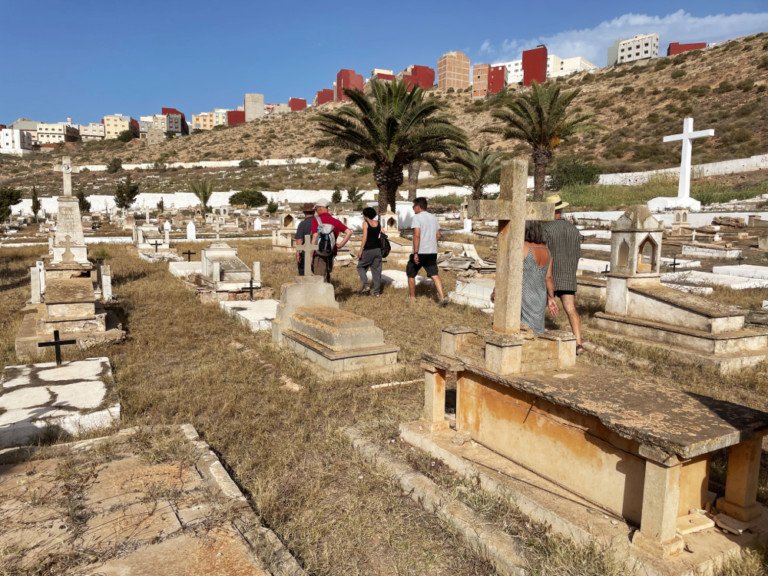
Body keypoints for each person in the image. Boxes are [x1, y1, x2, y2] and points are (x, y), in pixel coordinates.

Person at [490, 221, 557, 334]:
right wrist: (551, 298)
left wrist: (497, 289)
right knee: (537, 329)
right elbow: (548, 278)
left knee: (521, 329)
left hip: (523, 295)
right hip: (540, 296)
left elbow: (509, 272)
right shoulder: (547, 250)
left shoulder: (522, 248)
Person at [542, 193, 584, 355]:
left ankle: (534, 336)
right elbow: (578, 254)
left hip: (549, 275)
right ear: (561, 210)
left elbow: (543, 253)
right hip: (568, 275)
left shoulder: (545, 229)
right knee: (571, 309)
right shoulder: (574, 230)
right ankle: (579, 342)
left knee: (539, 307)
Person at [407, 197, 447, 305]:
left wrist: (416, 253)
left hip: (420, 252)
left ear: (418, 207)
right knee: (434, 274)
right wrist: (430, 242)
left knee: (410, 274)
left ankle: (412, 298)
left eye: (413, 206)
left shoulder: (417, 217)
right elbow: (438, 235)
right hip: (432, 251)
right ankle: (443, 297)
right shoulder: (433, 218)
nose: (413, 208)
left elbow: (416, 235)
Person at [310, 198, 352, 282]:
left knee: (319, 277)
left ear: (320, 208)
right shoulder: (335, 221)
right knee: (327, 274)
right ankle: (327, 292)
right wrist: (340, 245)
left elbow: (315, 237)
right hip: (330, 252)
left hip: (319, 253)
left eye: (316, 209)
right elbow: (349, 232)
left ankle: (322, 294)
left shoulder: (316, 220)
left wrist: (310, 254)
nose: (316, 211)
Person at [356, 207, 383, 296]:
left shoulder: (365, 223)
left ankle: (366, 286)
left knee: (360, 267)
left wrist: (360, 250)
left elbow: (364, 238)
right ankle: (377, 293)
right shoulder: (378, 223)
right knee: (376, 271)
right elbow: (383, 233)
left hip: (368, 250)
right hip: (378, 250)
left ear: (365, 215)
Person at [294, 202, 316, 276]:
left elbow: (299, 240)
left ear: (304, 212)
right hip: (319, 253)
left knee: (304, 275)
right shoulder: (319, 222)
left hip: (306, 253)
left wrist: (298, 254)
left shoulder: (302, 224)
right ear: (314, 212)